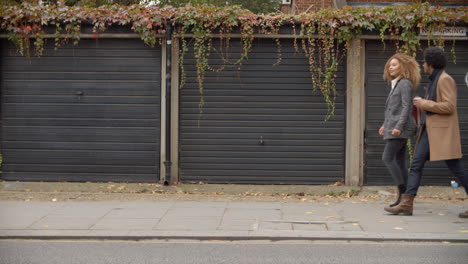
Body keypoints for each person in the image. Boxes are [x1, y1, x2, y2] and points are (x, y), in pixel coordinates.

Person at [384, 47, 468, 218]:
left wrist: (424, 103)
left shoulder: (445, 80)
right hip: (429, 130)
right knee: (416, 165)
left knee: (457, 169)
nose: (423, 65)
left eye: (425, 62)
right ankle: (406, 204)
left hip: (441, 133)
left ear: (431, 63)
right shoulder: (433, 80)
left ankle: (405, 201)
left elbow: (449, 106)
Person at [379, 53, 419, 207]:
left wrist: (398, 127)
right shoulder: (396, 83)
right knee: (400, 161)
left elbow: (406, 107)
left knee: (387, 158)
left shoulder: (404, 83)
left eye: (394, 65)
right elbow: (392, 109)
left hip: (400, 128)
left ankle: (403, 191)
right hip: (394, 126)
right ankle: (406, 197)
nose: (391, 67)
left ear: (403, 66)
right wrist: (385, 124)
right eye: (389, 65)